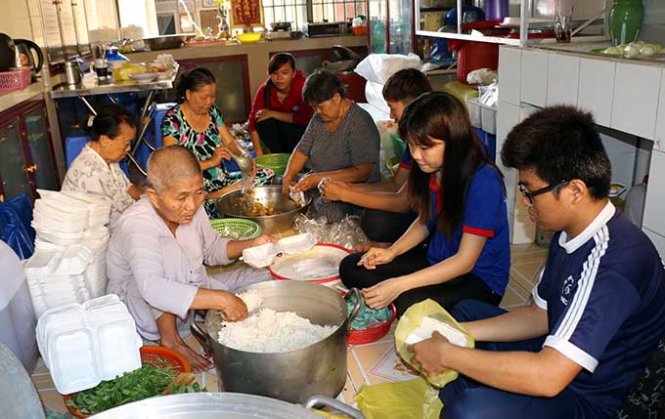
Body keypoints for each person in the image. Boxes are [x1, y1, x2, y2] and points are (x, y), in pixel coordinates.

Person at [412, 106, 665, 419]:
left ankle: (478, 396)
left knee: (468, 411)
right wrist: (458, 333)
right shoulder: (570, 233)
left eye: (529, 191)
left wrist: (449, 354)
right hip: (558, 355)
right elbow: (539, 315)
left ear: (574, 190)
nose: (524, 202)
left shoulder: (615, 263)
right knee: (463, 314)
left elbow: (548, 377)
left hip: (591, 399)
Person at [339, 92, 509, 316]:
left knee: (407, 304)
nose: (416, 156)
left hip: (477, 280)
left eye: (425, 148)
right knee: (351, 267)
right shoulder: (435, 169)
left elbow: (464, 262)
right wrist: (392, 251)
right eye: (411, 145)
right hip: (437, 259)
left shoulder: (484, 182)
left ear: (454, 140)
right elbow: (425, 221)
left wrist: (399, 284)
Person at [106, 146, 274, 372]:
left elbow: (213, 249)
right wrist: (222, 300)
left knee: (264, 276)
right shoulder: (137, 224)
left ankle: (198, 317)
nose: (192, 205)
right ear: (154, 196)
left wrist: (253, 244)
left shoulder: (193, 207)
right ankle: (171, 340)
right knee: (170, 253)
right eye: (181, 197)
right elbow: (152, 287)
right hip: (140, 312)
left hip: (188, 294)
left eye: (199, 193)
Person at [319, 68, 432, 244]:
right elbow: (396, 184)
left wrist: (345, 194)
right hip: (423, 216)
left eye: (392, 108)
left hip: (429, 222)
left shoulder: (429, 144)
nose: (391, 116)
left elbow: (402, 202)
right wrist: (347, 188)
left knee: (374, 221)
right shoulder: (414, 143)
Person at [161, 67, 271, 218]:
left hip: (221, 180)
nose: (209, 102)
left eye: (212, 97)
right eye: (204, 97)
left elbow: (230, 142)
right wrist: (211, 162)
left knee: (266, 174)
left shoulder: (213, 112)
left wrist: (245, 157)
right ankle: (217, 197)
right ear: (188, 94)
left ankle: (226, 195)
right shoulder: (172, 120)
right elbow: (173, 166)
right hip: (194, 188)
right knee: (198, 207)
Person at [281, 69, 380, 222]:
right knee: (279, 185)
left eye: (320, 106)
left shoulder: (359, 122)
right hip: (319, 185)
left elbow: (363, 172)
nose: (317, 111)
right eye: (313, 107)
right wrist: (288, 177)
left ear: (336, 97)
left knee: (327, 212)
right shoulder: (319, 118)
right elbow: (302, 149)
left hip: (350, 194)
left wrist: (317, 178)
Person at [62, 104, 141, 227]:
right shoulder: (91, 174)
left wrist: (150, 199)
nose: (129, 148)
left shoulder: (109, 160)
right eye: (126, 143)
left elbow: (128, 188)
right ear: (104, 140)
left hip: (125, 221)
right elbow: (105, 225)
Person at [248, 53, 313, 155]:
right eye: (275, 73)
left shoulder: (303, 87)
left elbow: (306, 118)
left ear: (294, 73)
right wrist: (258, 151)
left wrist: (272, 113)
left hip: (300, 133)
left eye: (285, 73)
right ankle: (277, 155)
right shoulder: (265, 90)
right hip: (279, 133)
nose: (279, 78)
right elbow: (252, 123)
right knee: (261, 120)